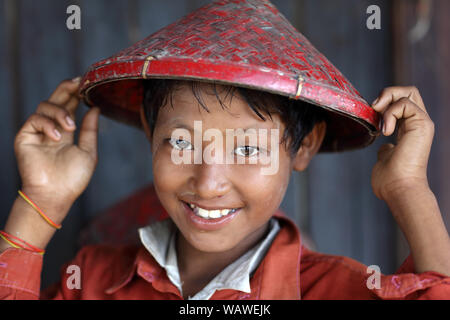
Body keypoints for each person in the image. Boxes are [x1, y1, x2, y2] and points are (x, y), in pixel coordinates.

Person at [1, 0, 450, 300]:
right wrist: (40, 204)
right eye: (181, 142)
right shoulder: (93, 282)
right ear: (148, 128)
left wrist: (410, 190)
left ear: (303, 145)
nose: (208, 182)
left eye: (248, 150)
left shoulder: (338, 290)